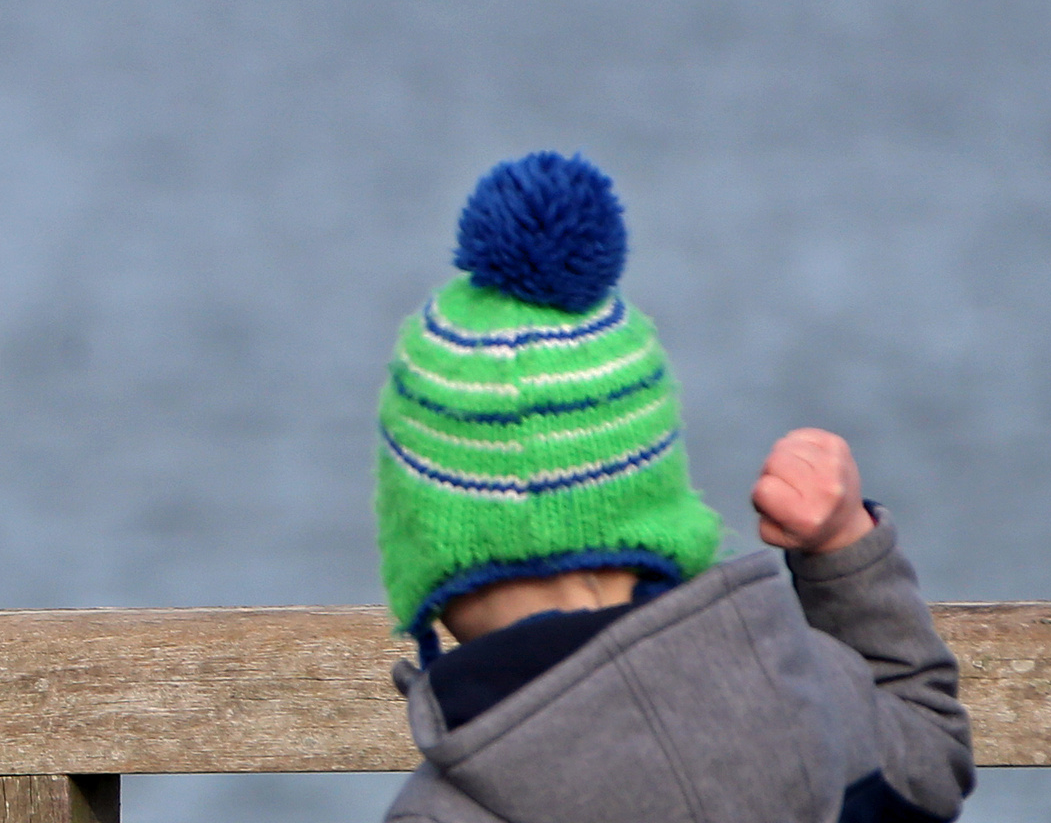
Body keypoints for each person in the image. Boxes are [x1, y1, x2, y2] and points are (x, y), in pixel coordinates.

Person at [375, 151, 975, 823]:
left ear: (424, 548)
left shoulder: (446, 810)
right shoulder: (813, 691)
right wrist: (844, 551)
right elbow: (933, 756)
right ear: (653, 510)